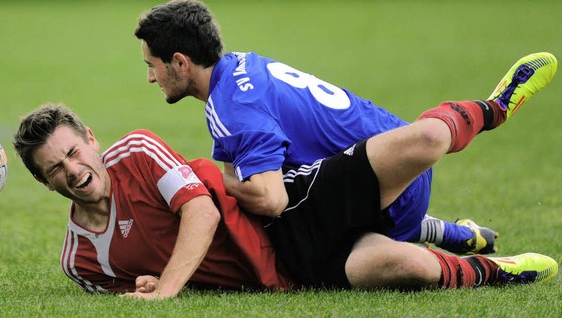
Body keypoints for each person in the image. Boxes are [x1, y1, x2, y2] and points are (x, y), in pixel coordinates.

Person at [13, 91, 557, 300]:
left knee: (424, 140)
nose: (73, 170)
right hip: (290, 271)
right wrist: (149, 284)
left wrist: (166, 289)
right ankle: (499, 268)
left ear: (91, 141)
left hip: (283, 210)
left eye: (74, 152)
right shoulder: (81, 262)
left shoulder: (133, 152)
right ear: (45, 183)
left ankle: (494, 106)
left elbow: (200, 212)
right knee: (409, 266)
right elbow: (133, 286)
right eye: (55, 169)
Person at [133, 0, 503, 255]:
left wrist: (213, 182)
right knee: (277, 182)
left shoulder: (233, 108)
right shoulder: (239, 65)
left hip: (388, 188)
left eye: (152, 65)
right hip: (403, 159)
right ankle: (458, 233)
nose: (150, 78)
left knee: (284, 235)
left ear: (180, 63)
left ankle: (459, 257)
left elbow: (270, 199)